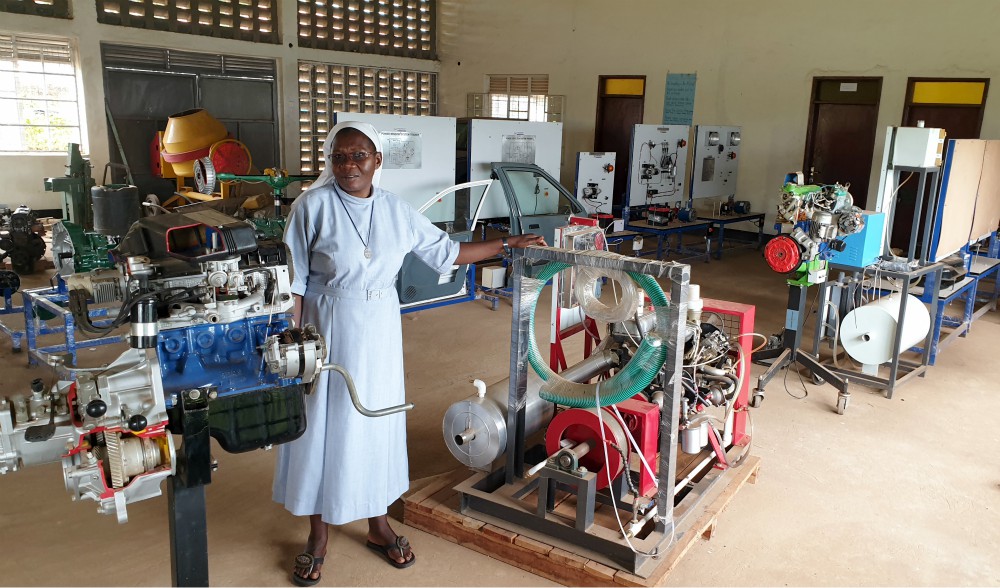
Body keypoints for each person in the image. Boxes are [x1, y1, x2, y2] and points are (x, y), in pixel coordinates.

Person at [273, 121, 546, 586]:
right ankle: (318, 534)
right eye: (339, 157)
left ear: (378, 160)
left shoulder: (396, 210)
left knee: (375, 420)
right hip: (325, 324)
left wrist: (507, 244)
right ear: (329, 161)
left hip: (377, 329)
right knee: (321, 425)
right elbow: (294, 281)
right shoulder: (311, 206)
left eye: (359, 155)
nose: (349, 165)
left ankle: (377, 524)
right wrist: (293, 340)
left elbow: (447, 252)